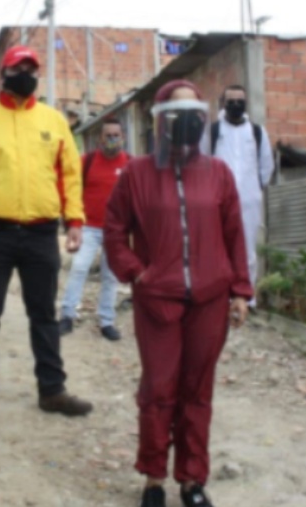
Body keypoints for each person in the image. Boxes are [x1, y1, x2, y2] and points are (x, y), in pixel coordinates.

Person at [105, 80, 251, 507]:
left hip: (210, 299)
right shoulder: (136, 173)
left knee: (197, 390)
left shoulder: (218, 173)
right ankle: (153, 478)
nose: (186, 121)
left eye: (194, 114)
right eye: (178, 114)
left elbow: (234, 235)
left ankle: (191, 479)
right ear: (162, 121)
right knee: (158, 388)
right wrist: (139, 274)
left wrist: (240, 290)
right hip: (158, 300)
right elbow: (114, 232)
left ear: (202, 119)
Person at [0, 45, 94, 422]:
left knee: (43, 313)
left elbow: (70, 175)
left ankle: (52, 390)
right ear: (4, 75)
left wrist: (74, 220)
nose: (25, 74)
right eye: (18, 68)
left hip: (41, 233)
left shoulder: (54, 121)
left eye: (31, 68)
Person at [201, 85, 274, 305]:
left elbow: (266, 166)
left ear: (246, 104)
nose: (235, 105)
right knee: (217, 247)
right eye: (231, 101)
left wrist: (253, 189)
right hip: (217, 201)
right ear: (223, 103)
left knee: (248, 250)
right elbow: (202, 163)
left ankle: (245, 299)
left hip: (249, 202)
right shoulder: (212, 131)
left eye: (239, 101)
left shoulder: (257, 132)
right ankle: (219, 296)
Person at [59, 118, 130, 341]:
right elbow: (71, 191)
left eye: (116, 135)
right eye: (107, 135)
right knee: (79, 269)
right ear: (100, 138)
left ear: (123, 137)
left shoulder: (130, 164)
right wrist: (72, 224)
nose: (112, 139)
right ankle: (67, 316)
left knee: (110, 277)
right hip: (88, 227)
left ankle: (106, 321)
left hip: (116, 230)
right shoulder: (86, 162)